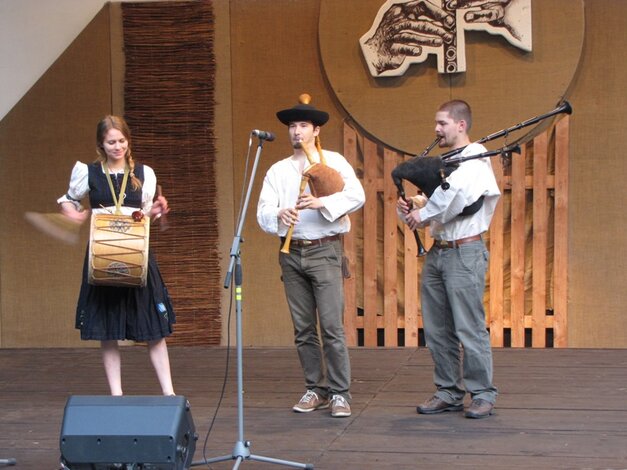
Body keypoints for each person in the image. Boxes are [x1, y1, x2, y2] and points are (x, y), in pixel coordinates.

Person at [257, 94, 365, 418]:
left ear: (316, 130)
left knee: (332, 326)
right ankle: (314, 389)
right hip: (291, 255)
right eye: (292, 125)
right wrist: (280, 214)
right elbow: (263, 211)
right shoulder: (278, 170)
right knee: (303, 328)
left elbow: (356, 196)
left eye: (303, 125)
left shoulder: (332, 162)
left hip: (325, 250)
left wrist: (323, 204)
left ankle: (340, 393)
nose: (296, 131)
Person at [57, 115, 175, 396]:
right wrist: (71, 212)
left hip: (137, 253)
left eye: (121, 141)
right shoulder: (89, 172)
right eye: (111, 142)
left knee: (154, 326)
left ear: (128, 141)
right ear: (101, 143)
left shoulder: (144, 173)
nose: (117, 147)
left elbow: (145, 213)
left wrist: (155, 213)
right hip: (103, 255)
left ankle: (169, 393)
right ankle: (116, 395)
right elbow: (69, 200)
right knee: (108, 330)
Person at [397, 100, 500, 419]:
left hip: (465, 251)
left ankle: (482, 393)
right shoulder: (449, 161)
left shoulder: (475, 160)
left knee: (469, 326)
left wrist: (421, 213)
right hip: (439, 251)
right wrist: (416, 204)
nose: (436, 129)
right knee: (438, 328)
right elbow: (439, 197)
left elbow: (455, 200)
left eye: (442, 123)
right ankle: (448, 391)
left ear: (461, 125)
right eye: (436, 123)